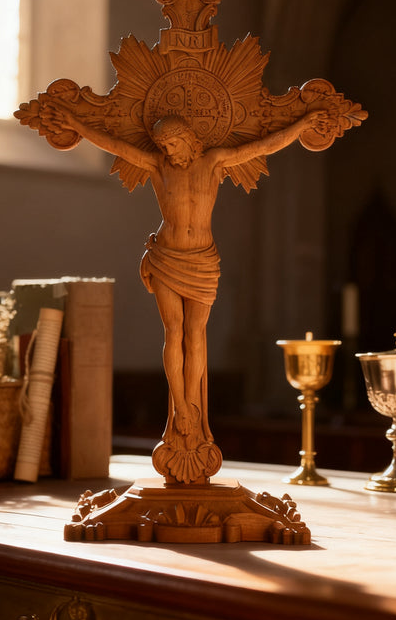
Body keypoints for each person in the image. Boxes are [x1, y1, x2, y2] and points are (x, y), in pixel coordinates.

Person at [50, 106, 325, 481]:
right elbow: (116, 145)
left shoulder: (213, 162)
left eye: (174, 143)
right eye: (163, 145)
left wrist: (300, 127)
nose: (169, 151)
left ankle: (192, 405)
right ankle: (181, 406)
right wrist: (77, 123)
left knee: (196, 335)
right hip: (165, 257)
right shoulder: (158, 165)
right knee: (173, 332)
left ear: (190, 140)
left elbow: (261, 146)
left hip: (202, 261)